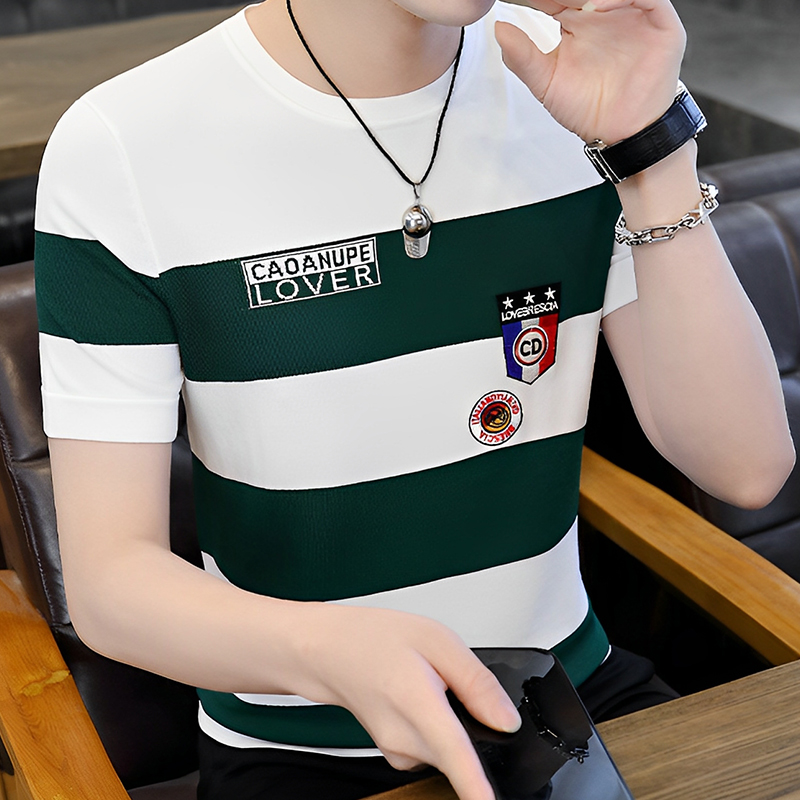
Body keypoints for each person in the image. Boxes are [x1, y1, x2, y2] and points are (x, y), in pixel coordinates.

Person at [34, 1, 794, 799]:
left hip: (571, 701)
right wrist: (325, 648)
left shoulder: (577, 66)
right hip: (300, 749)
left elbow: (745, 468)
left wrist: (650, 152)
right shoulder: (125, 143)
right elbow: (110, 585)